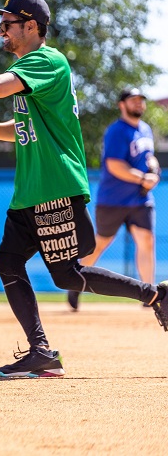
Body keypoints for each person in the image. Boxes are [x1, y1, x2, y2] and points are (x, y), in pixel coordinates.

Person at [0, 0, 168, 378]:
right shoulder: (32, 69)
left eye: (8, 23)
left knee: (66, 273)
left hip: (54, 186)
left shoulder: (46, 60)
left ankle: (154, 295)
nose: (1, 30)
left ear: (32, 26)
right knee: (12, 262)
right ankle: (42, 351)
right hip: (30, 189)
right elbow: (27, 128)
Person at [68, 88, 160, 310]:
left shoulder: (145, 129)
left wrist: (154, 169)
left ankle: (149, 294)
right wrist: (143, 179)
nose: (138, 104)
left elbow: (148, 158)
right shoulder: (117, 131)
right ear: (122, 104)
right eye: (133, 100)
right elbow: (114, 165)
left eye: (141, 100)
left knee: (146, 241)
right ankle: (75, 283)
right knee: (99, 244)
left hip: (140, 200)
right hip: (114, 200)